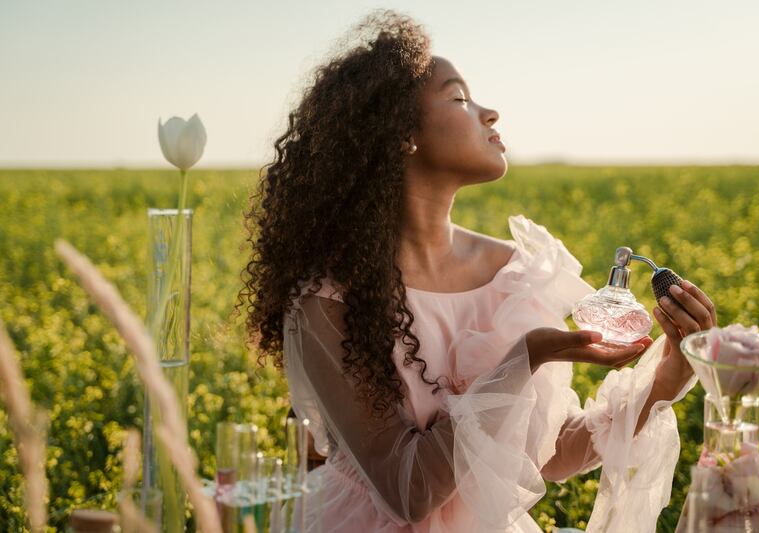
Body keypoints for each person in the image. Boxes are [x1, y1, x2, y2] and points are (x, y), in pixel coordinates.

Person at [238, 9, 714, 532]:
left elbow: (552, 456)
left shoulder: (515, 273)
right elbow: (408, 492)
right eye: (461, 98)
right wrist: (522, 359)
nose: (490, 113)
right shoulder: (327, 301)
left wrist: (670, 373)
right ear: (400, 135)